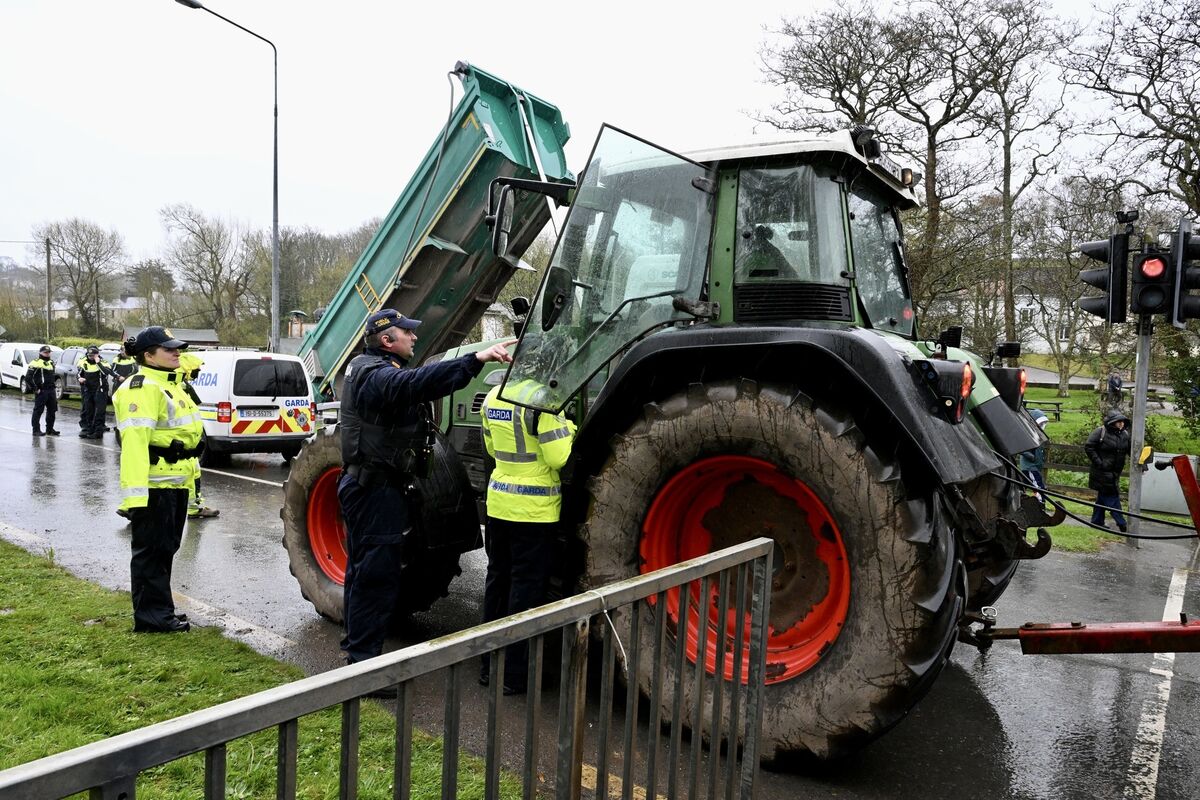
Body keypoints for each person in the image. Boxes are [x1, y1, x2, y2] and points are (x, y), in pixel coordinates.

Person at [338, 308, 514, 667]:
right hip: (374, 491)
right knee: (376, 576)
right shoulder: (376, 376)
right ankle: (362, 666)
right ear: (387, 340)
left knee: (362, 571)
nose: (415, 337)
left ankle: (356, 646)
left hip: (370, 486)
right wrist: (475, 360)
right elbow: (414, 384)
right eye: (408, 332)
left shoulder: (366, 366)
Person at [478, 371, 576, 694]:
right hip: (534, 512)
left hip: (499, 504)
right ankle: (514, 676)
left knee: (497, 583)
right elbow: (558, 456)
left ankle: (487, 667)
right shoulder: (543, 402)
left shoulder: (494, 397)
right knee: (525, 591)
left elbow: (493, 451)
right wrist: (569, 428)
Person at [114, 326, 203, 633]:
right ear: (148, 356)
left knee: (165, 550)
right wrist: (136, 499)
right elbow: (135, 446)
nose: (177, 352)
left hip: (174, 485)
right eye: (169, 349)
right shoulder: (142, 388)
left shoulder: (169, 382)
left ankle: (161, 610)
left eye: (177, 348)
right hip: (154, 487)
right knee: (151, 554)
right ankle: (151, 617)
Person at [177, 351, 219, 520]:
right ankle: (135, 507)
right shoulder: (177, 386)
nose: (198, 373)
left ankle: (195, 507)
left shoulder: (184, 385)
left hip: (189, 442)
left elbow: (195, 405)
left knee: (193, 475)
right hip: (178, 442)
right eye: (195, 369)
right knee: (170, 481)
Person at [1085, 409, 1132, 533]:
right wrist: (1100, 463)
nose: (1121, 424)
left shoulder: (1125, 435)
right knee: (1112, 497)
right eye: (1118, 421)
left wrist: (1142, 465)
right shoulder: (1100, 432)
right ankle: (1121, 523)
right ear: (1112, 422)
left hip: (1115, 472)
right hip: (1102, 472)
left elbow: (1131, 450)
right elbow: (1089, 447)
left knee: (1103, 497)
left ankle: (1097, 521)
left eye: (1122, 421)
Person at [77, 345, 114, 439]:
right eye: (90, 355)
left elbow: (106, 372)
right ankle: (90, 430)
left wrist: (98, 363)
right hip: (88, 389)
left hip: (100, 390)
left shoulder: (103, 362)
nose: (91, 357)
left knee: (99, 412)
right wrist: (80, 378)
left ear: (97, 355)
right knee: (89, 410)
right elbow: (79, 373)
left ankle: (98, 431)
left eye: (93, 355)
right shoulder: (84, 362)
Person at [27, 344, 61, 437]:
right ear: (40, 353)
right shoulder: (35, 362)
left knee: (52, 410)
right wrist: (35, 389)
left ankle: (50, 429)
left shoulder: (51, 362)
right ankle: (36, 430)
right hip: (42, 391)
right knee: (38, 411)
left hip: (51, 390)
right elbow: (28, 378)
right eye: (45, 352)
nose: (47, 354)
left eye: (49, 352)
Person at [1019, 409, 1049, 502]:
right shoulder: (1028, 433)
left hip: (1034, 466)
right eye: (1041, 423)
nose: (1043, 425)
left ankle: (1025, 505)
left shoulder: (1037, 434)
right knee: (1039, 487)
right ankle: (1041, 505)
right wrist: (1031, 456)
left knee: (1023, 487)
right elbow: (1021, 448)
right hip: (1030, 467)